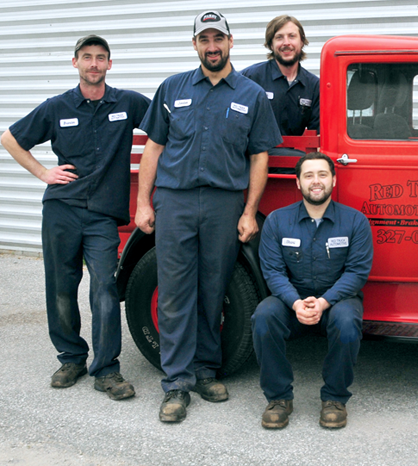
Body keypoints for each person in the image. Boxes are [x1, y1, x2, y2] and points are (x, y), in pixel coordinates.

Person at [135, 10, 282, 423]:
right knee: (177, 291)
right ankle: (176, 383)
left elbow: (259, 157)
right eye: (204, 39)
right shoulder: (173, 87)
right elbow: (153, 149)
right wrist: (144, 203)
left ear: (231, 43)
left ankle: (204, 370)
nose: (212, 46)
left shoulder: (252, 94)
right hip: (176, 202)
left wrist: (250, 211)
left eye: (219, 39)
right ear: (195, 45)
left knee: (213, 288)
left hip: (223, 203)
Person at [0, 35, 150, 399]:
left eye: (101, 58)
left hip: (101, 215)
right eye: (87, 57)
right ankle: (71, 357)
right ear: (75, 63)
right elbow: (10, 138)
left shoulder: (128, 102)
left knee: (104, 287)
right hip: (61, 210)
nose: (94, 64)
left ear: (109, 65)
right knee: (62, 286)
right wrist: (42, 173)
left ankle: (106, 369)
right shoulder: (57, 107)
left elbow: (165, 128)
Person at [252, 152, 373, 429]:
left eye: (322, 174)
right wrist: (296, 304)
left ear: (333, 179)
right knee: (264, 316)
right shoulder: (276, 221)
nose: (315, 181)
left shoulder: (355, 222)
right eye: (308, 176)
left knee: (347, 321)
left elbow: (357, 272)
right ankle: (279, 398)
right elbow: (273, 272)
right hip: (290, 301)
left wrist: (324, 302)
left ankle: (334, 398)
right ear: (298, 183)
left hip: (337, 300)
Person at [242, 15, 319, 138]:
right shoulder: (250, 77)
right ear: (271, 45)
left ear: (302, 41)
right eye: (279, 37)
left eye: (292, 36)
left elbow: (318, 135)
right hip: (257, 155)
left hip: (296, 156)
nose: (286, 43)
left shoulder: (314, 86)